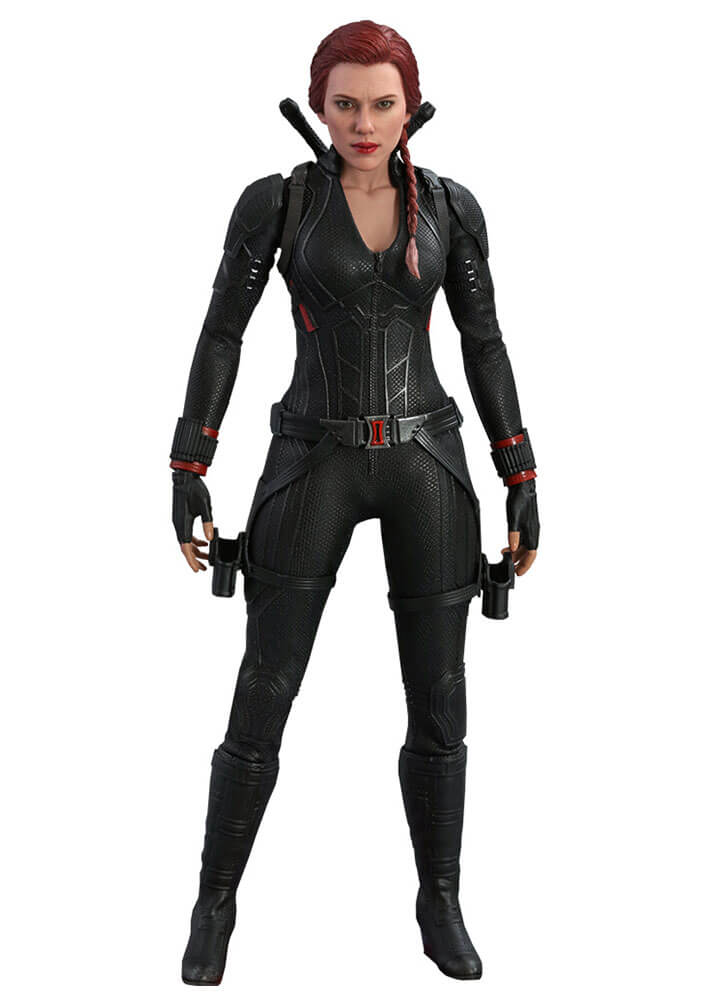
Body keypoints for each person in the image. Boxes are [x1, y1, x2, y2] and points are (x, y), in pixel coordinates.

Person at [169, 20, 539, 985]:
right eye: (345, 104)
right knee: (263, 693)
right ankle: (214, 901)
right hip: (312, 459)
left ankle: (440, 900)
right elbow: (221, 333)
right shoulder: (280, 203)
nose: (364, 123)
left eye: (382, 104)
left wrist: (521, 473)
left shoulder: (449, 208)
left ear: (411, 107)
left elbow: (485, 341)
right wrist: (189, 462)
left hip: (427, 462)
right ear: (319, 106)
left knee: (441, 702)